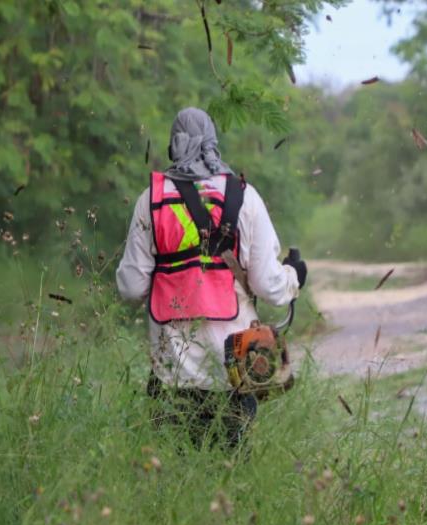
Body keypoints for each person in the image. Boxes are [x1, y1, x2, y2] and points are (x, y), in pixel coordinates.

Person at [116, 107, 307, 449]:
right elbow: (268, 284)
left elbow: (130, 287)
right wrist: (294, 276)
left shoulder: (152, 200)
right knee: (230, 478)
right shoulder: (243, 195)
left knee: (173, 480)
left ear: (173, 145)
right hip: (235, 371)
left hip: (171, 374)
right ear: (213, 143)